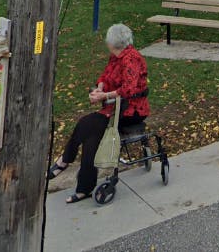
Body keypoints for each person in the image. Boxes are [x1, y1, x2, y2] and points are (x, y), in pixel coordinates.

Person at [49, 24, 150, 203]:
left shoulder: (131, 59)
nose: (107, 45)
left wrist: (104, 95)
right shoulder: (116, 56)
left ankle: (64, 162)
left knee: (86, 123)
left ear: (114, 43)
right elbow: (105, 75)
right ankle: (83, 188)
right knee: (91, 138)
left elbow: (128, 90)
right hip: (113, 107)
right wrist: (100, 87)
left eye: (108, 42)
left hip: (131, 109)